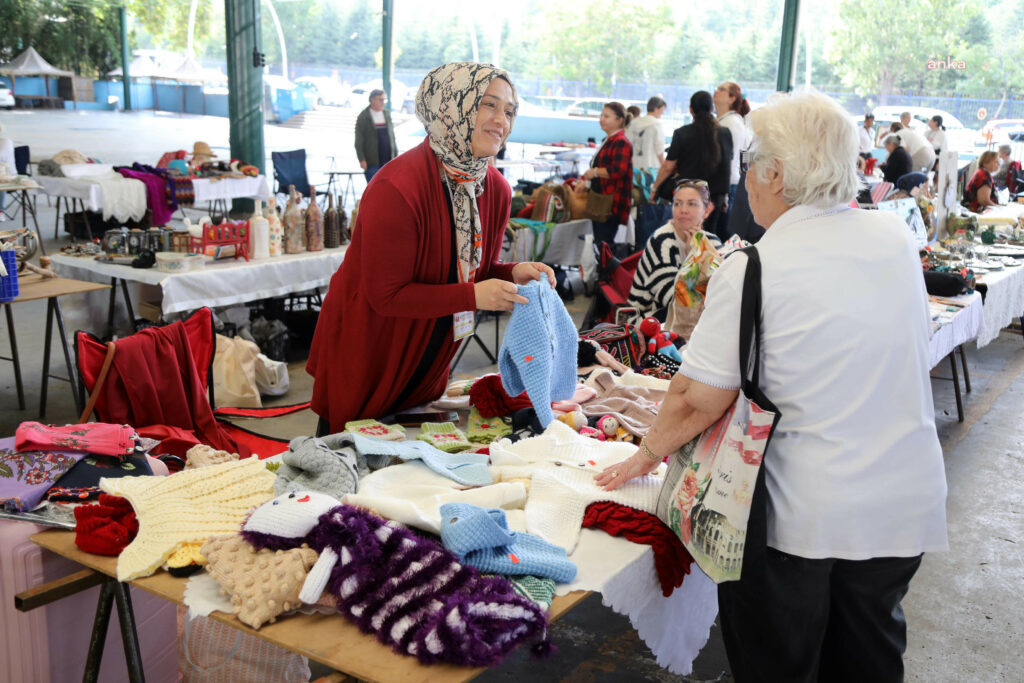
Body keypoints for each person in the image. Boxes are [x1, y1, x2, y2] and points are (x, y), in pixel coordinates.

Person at [597, 89, 947, 681]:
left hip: (800, 518)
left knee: (778, 665)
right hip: (899, 503)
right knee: (869, 659)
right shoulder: (893, 239)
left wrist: (645, 455)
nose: (745, 181)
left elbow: (695, 397)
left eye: (751, 164)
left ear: (777, 173)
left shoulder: (754, 264)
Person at [308, 62, 555, 433]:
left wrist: (510, 272)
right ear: (451, 107)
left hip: (430, 354)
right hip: (371, 352)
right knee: (347, 464)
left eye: (509, 110)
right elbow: (386, 296)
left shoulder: (494, 189)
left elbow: (471, 270)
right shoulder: (398, 188)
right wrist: (473, 296)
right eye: (488, 105)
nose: (501, 120)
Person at [627, 180, 715, 322]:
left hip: (693, 318)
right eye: (677, 203)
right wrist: (692, 258)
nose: (683, 210)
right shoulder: (661, 241)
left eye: (692, 204)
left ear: (706, 211)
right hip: (648, 320)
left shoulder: (712, 241)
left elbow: (720, 290)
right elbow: (674, 300)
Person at [651, 91, 732, 238]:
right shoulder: (725, 133)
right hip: (715, 195)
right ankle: (706, 261)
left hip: (689, 195)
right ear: (711, 108)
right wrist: (725, 196)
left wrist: (655, 188)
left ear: (691, 109)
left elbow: (668, 166)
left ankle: (686, 260)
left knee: (684, 234)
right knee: (709, 236)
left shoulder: (682, 133)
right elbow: (727, 166)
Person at [580, 102, 633, 247]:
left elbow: (618, 171)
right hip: (602, 200)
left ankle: (607, 270)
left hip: (611, 204)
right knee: (600, 243)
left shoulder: (621, 142)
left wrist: (595, 172)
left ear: (619, 120)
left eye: (606, 116)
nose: (602, 119)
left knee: (604, 245)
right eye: (601, 115)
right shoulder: (609, 140)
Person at [713, 81, 751, 233]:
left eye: (721, 89)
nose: (716, 91)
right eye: (717, 88)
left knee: (722, 232)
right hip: (721, 184)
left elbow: (732, 158)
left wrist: (725, 195)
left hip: (727, 186)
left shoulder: (732, 123)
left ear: (732, 98)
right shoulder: (723, 120)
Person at [354, 89, 398, 183]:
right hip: (372, 162)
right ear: (372, 100)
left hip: (388, 161)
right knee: (374, 189)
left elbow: (392, 137)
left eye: (384, 100)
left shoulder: (386, 114)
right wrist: (362, 159)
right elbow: (359, 140)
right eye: (380, 100)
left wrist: (396, 156)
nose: (383, 102)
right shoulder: (364, 116)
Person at [627, 96, 668, 173]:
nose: (663, 112)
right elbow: (659, 149)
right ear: (656, 109)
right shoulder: (657, 124)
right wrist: (664, 166)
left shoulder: (634, 123)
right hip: (651, 168)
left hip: (634, 166)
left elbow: (628, 144)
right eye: (662, 110)